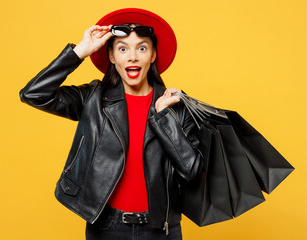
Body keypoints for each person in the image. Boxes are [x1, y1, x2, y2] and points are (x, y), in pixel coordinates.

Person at [19, 8, 205, 240]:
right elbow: (33, 94)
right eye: (123, 48)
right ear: (111, 56)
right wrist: (79, 52)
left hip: (161, 229)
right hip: (106, 228)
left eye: (142, 48)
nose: (132, 56)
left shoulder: (175, 104)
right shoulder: (93, 98)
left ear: (153, 55)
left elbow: (192, 171)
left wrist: (163, 117)